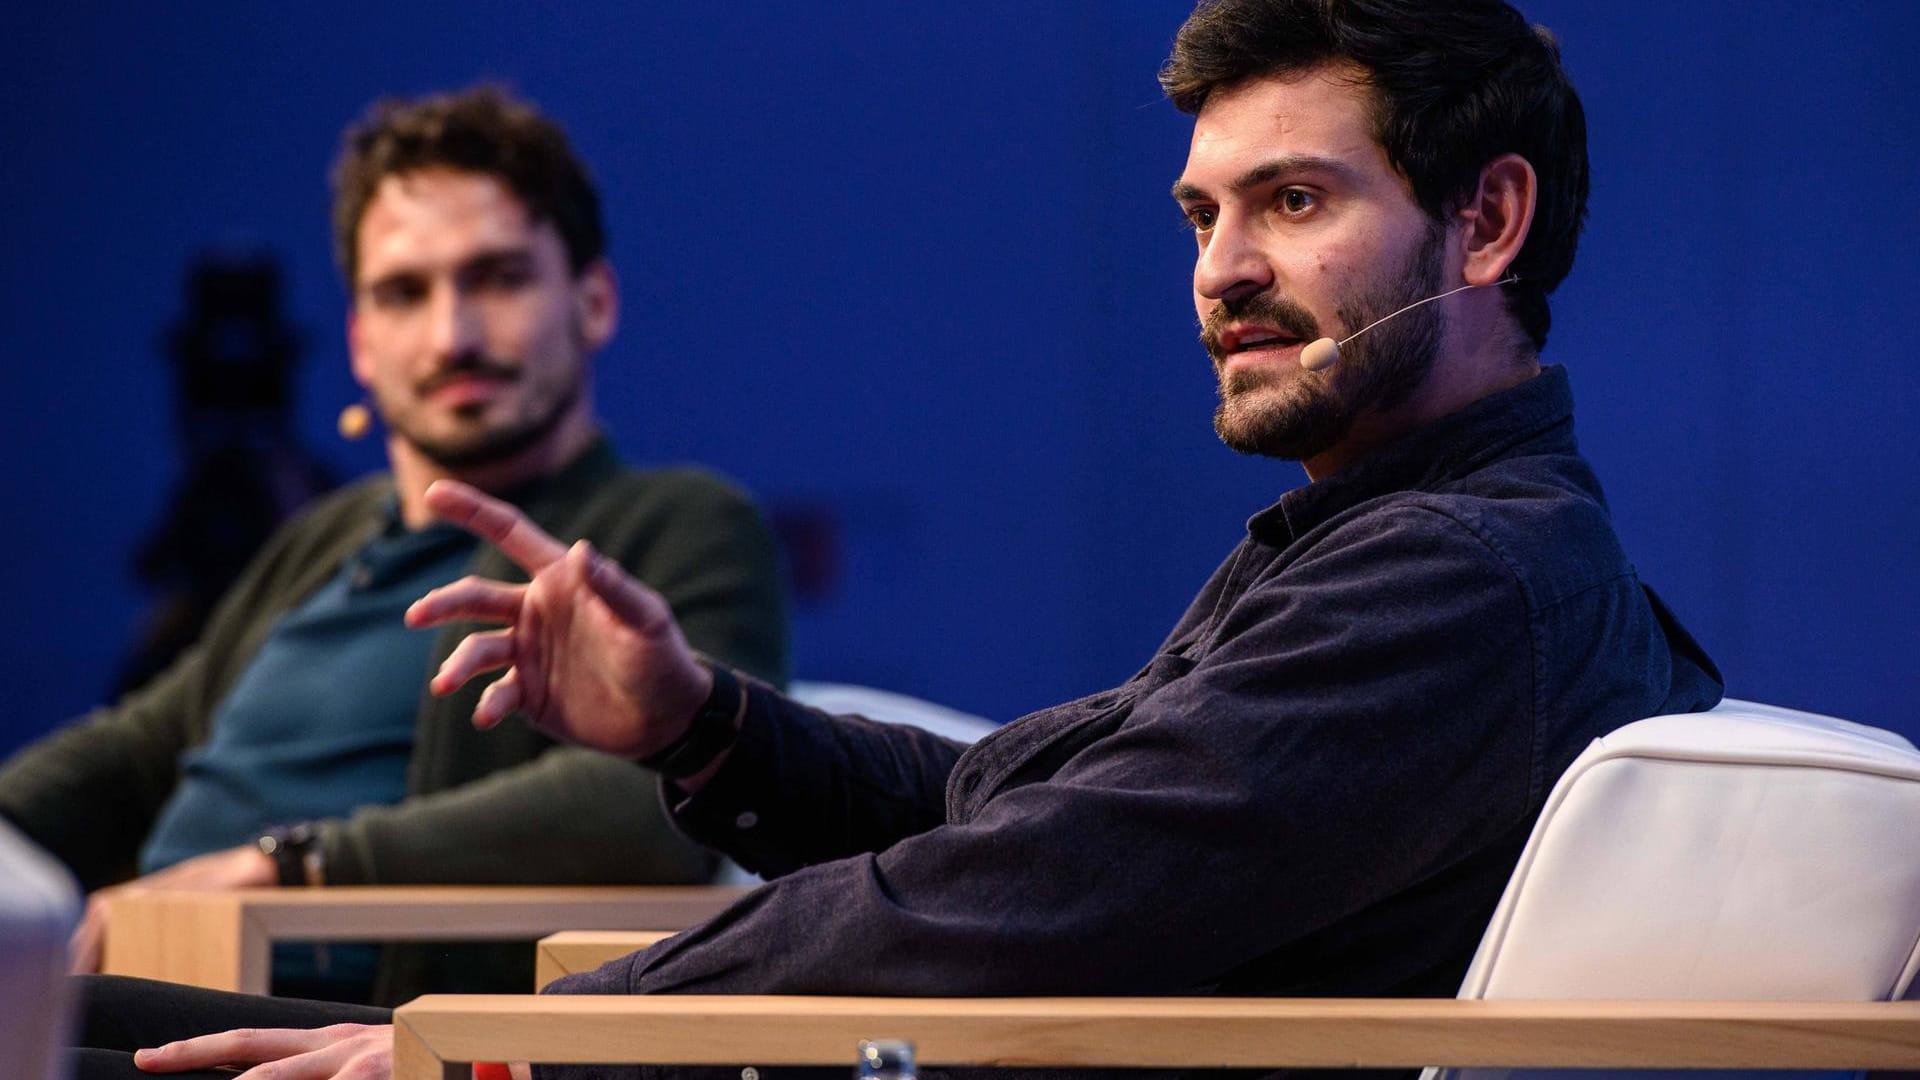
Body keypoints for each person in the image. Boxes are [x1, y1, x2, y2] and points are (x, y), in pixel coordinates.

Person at [72, 1, 1723, 1078]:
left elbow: (1020, 890)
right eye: (1201, 215)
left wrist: (510, 1043)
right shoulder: (1384, 539)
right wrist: (697, 725)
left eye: (1292, 201)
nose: (1218, 270)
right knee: (55, 1014)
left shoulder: (1461, 576)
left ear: (1486, 220)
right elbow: (999, 806)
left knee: (56, 1033)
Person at [1, 86, 788, 1008]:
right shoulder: (322, 540)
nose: (452, 335)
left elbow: (664, 798)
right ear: (361, 343)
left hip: (333, 1025)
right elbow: (134, 754)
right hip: (138, 977)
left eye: (498, 278)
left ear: (595, 300)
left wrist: (291, 868)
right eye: (404, 293)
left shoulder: (673, 522)